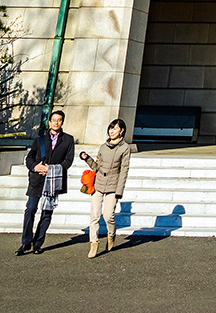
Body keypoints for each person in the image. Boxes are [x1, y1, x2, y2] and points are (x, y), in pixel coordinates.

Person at [18, 110, 75, 255]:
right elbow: (29, 158)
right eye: (53, 120)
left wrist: (53, 169)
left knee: (47, 212)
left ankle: (38, 243)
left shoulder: (68, 140)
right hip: (37, 179)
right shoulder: (40, 139)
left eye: (59, 120)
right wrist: (35, 167)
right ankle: (26, 242)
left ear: (62, 122)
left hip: (53, 180)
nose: (56, 122)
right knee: (30, 209)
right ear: (49, 122)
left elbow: (68, 161)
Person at [79, 118, 133, 259]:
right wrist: (87, 158)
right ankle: (94, 244)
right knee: (95, 216)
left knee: (108, 216)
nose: (111, 131)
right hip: (99, 184)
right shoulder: (103, 147)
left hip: (113, 185)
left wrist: (119, 191)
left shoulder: (125, 148)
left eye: (114, 128)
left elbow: (124, 171)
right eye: (110, 128)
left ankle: (111, 235)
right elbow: (97, 167)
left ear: (121, 131)